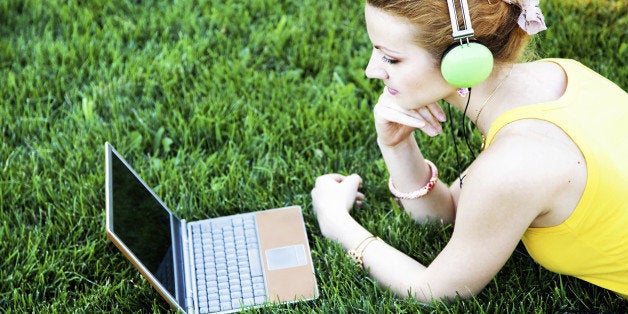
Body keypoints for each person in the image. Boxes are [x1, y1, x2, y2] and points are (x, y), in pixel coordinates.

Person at [310, 0, 628, 302]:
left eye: (390, 58)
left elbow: (436, 291)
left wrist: (335, 221)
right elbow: (447, 215)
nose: (371, 71)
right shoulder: (561, 74)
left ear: (463, 60)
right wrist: (397, 146)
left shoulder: (516, 163)